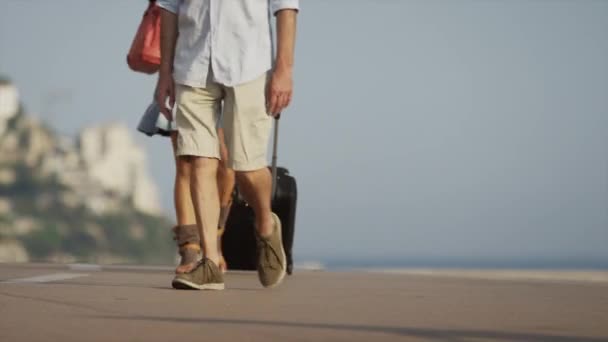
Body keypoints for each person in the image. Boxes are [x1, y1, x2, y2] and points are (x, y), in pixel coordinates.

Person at [156, 0, 299, 290]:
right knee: (199, 160)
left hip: (248, 65)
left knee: (246, 168)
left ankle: (265, 223)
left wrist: (283, 69)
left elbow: (286, 7)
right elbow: (168, 8)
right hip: (192, 65)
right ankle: (210, 261)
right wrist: (164, 72)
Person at [138, 89, 235, 274]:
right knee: (186, 164)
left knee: (227, 164)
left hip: (229, 77)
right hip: (185, 76)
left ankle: (214, 237)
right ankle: (189, 247)